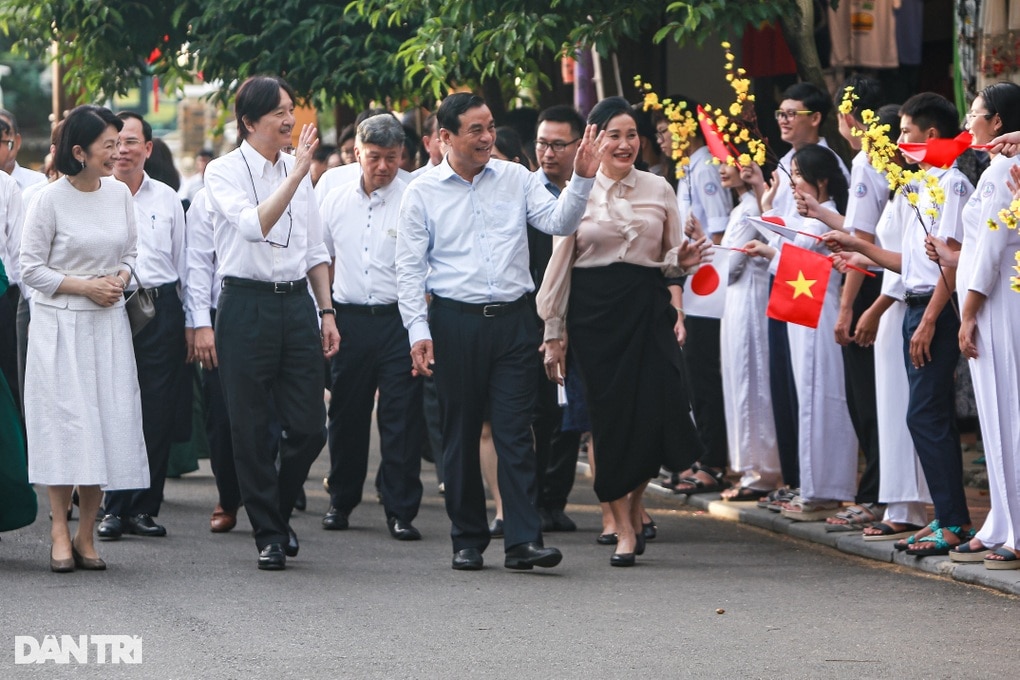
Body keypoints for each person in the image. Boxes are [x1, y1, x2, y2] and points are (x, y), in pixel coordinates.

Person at [395, 92, 603, 572]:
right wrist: (417, 331)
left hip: (513, 321)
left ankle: (522, 539)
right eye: (476, 129)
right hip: (454, 322)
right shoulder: (422, 191)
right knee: (462, 434)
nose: (488, 137)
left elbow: (559, 221)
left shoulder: (515, 178)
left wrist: (583, 179)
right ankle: (467, 538)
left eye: (490, 127)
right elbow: (408, 271)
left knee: (515, 432)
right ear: (445, 137)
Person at [537, 96, 706, 566]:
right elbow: (560, 267)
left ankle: (634, 508)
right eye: (614, 134)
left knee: (651, 413)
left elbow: (669, 258)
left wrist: (683, 263)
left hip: (646, 308)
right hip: (592, 314)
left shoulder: (658, 188)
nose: (625, 143)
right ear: (594, 138)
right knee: (607, 424)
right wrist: (554, 331)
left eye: (632, 135)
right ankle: (623, 527)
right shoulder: (577, 192)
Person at [204, 75, 339, 571]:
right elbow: (253, 225)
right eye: (279, 112)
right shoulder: (222, 171)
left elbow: (314, 249)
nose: (290, 120)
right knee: (251, 427)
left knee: (308, 428)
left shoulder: (297, 170)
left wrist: (326, 311)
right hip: (244, 305)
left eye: (291, 109)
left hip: (295, 305)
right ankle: (269, 535)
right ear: (249, 122)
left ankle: (276, 515)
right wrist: (299, 172)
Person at [20, 104, 150, 572]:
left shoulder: (118, 195)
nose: (118, 152)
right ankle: (58, 527)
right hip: (59, 327)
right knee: (65, 427)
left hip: (107, 325)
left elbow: (133, 251)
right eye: (109, 145)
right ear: (79, 151)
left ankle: (86, 533)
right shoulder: (48, 199)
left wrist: (117, 276)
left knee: (107, 424)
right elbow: (29, 269)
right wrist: (85, 285)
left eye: (120, 142)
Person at [742, 81, 850, 511]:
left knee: (820, 391)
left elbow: (803, 245)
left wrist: (771, 239)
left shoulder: (828, 212)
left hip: (818, 302)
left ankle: (825, 488)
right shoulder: (798, 190)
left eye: (801, 182)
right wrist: (766, 204)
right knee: (800, 391)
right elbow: (791, 241)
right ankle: (809, 483)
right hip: (798, 296)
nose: (796, 188)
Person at [319, 114, 425, 540]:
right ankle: (341, 500)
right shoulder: (333, 195)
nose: (383, 167)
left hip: (399, 320)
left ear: (403, 156)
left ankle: (401, 510)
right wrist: (324, 316)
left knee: (401, 418)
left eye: (392, 158)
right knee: (346, 413)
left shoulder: (415, 195)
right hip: (349, 319)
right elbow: (321, 259)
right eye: (374, 157)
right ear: (357, 153)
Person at [928, 83, 1020, 567]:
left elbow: (991, 248)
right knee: (996, 418)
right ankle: (1000, 522)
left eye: (975, 113)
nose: (967, 122)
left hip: (998, 306)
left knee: (1008, 415)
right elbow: (977, 248)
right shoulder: (997, 168)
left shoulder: (1002, 169)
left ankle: (1015, 528)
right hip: (992, 301)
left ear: (998, 122)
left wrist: (967, 314)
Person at [798, 77, 888, 531]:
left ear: (850, 117)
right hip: (875, 281)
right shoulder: (875, 161)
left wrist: (848, 307)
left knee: (868, 399)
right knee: (869, 398)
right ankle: (877, 493)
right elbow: (857, 230)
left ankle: (875, 496)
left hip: (868, 288)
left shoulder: (869, 163)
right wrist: (820, 213)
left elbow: (863, 244)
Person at [98, 112, 190, 541]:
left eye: (131, 141)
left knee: (156, 410)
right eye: (115, 142)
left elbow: (185, 263)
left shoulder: (168, 197)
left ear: (148, 149)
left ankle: (144, 507)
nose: (122, 150)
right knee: (115, 407)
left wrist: (194, 323)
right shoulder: (94, 194)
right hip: (110, 306)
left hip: (161, 306)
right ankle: (112, 508)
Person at [667, 97, 734, 496]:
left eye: (670, 125)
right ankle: (702, 454)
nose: (665, 135)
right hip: (691, 284)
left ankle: (713, 459)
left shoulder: (706, 164)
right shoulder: (687, 167)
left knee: (705, 375)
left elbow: (720, 234)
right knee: (693, 377)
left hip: (709, 287)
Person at [713, 155, 781, 501]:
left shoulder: (754, 205)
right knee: (739, 377)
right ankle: (750, 468)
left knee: (751, 376)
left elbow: (733, 262)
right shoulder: (741, 205)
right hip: (733, 299)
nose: (723, 169)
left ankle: (763, 470)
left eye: (729, 161)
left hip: (749, 298)